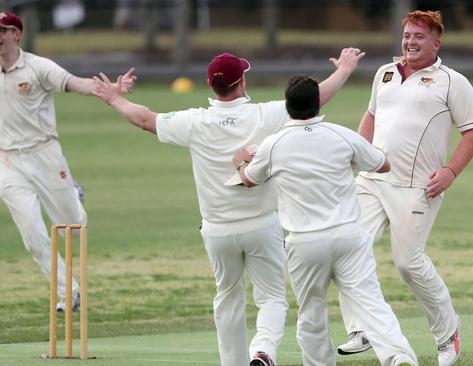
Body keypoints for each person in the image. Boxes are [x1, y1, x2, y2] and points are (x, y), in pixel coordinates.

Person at [92, 50, 365, 366]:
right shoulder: (266, 115)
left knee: (228, 298)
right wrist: (344, 69)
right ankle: (262, 351)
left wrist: (114, 99)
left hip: (218, 230)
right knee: (273, 298)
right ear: (242, 81)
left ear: (211, 86)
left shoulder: (195, 121)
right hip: (262, 224)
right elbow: (314, 99)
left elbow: (144, 119)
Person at [235, 75, 419, 366]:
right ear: (317, 103)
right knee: (371, 304)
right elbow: (383, 163)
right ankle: (398, 357)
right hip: (349, 236)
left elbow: (248, 180)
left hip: (304, 242)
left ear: (288, 106)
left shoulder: (273, 144)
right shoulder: (341, 134)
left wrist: (243, 160)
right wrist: (350, 160)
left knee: (311, 314)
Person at [336, 9, 473, 366]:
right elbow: (371, 116)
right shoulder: (385, 73)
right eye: (407, 36)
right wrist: (357, 154)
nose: (410, 42)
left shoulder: (452, 81)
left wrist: (450, 172)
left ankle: (448, 333)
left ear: (436, 42)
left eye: (419, 36)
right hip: (372, 180)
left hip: (419, 188)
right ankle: (362, 328)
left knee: (407, 263)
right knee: (346, 249)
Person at [0, 11, 135, 312]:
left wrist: (108, 89)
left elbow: (74, 83)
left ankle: (72, 194)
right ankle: (68, 291)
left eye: (5, 29)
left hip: (44, 153)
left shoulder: (37, 67)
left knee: (72, 227)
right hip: (7, 161)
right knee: (33, 235)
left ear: (16, 34)